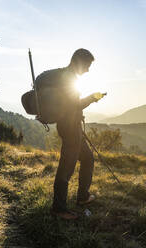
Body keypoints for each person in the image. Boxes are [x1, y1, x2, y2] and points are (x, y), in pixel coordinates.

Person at [35, 48, 104, 220]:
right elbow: (74, 105)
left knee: (87, 158)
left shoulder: (62, 75)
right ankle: (59, 209)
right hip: (70, 129)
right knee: (66, 169)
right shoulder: (68, 78)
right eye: (87, 65)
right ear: (78, 62)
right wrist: (92, 98)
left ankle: (83, 196)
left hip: (70, 126)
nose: (88, 70)